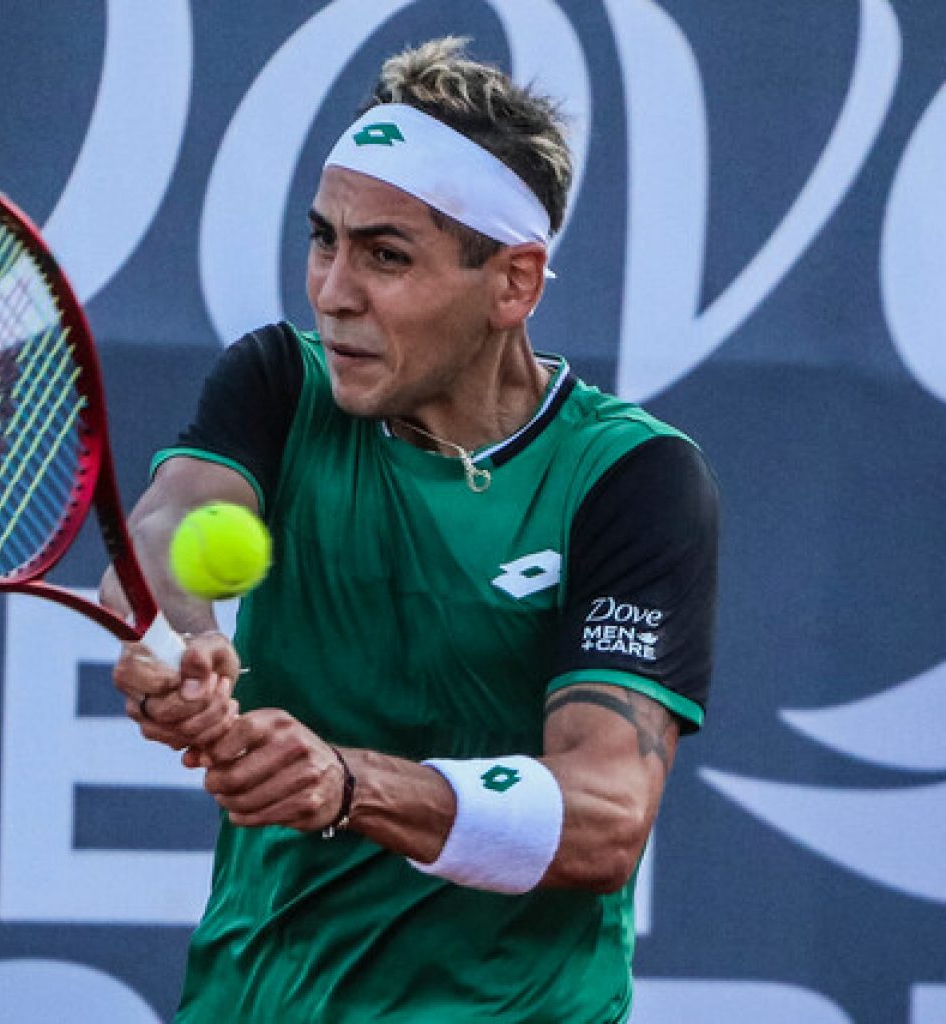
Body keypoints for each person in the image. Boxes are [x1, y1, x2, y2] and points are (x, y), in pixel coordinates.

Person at [104, 36, 719, 1024]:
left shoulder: (632, 478)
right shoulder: (276, 382)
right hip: (251, 999)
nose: (332, 289)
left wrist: (350, 784)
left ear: (513, 283)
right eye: (323, 239)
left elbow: (607, 816)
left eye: (386, 254)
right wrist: (183, 633)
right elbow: (169, 526)